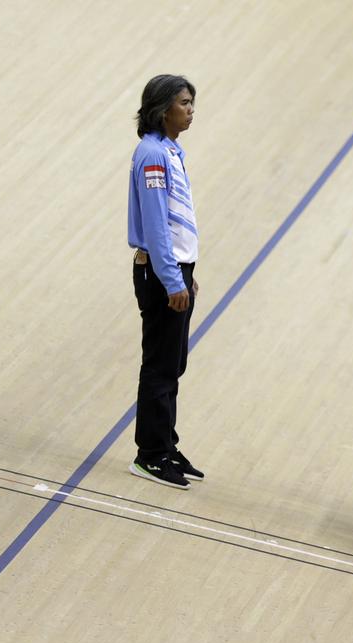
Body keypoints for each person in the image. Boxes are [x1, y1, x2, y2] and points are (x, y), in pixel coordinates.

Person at [127, 74, 205, 489]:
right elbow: (157, 226)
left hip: (174, 270)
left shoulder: (171, 151)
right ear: (163, 110)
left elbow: (178, 223)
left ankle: (165, 444)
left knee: (174, 363)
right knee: (160, 365)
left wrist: (187, 274)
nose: (191, 110)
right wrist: (173, 279)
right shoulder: (152, 156)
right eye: (185, 103)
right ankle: (150, 455)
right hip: (161, 273)